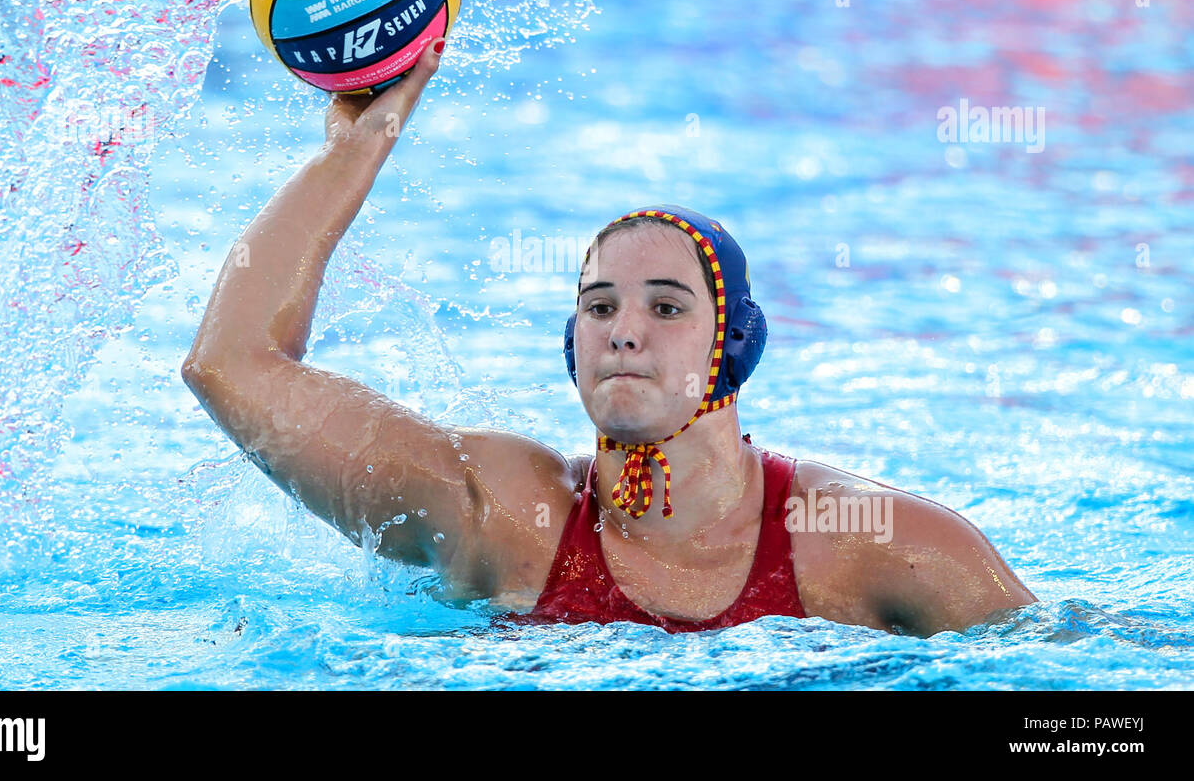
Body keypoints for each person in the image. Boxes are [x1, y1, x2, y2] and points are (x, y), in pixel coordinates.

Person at [182, 37, 1036, 636]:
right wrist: (354, 151)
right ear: (571, 345)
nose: (624, 332)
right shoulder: (504, 514)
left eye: (666, 308)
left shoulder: (866, 543)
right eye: (598, 308)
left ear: (735, 345)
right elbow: (231, 365)